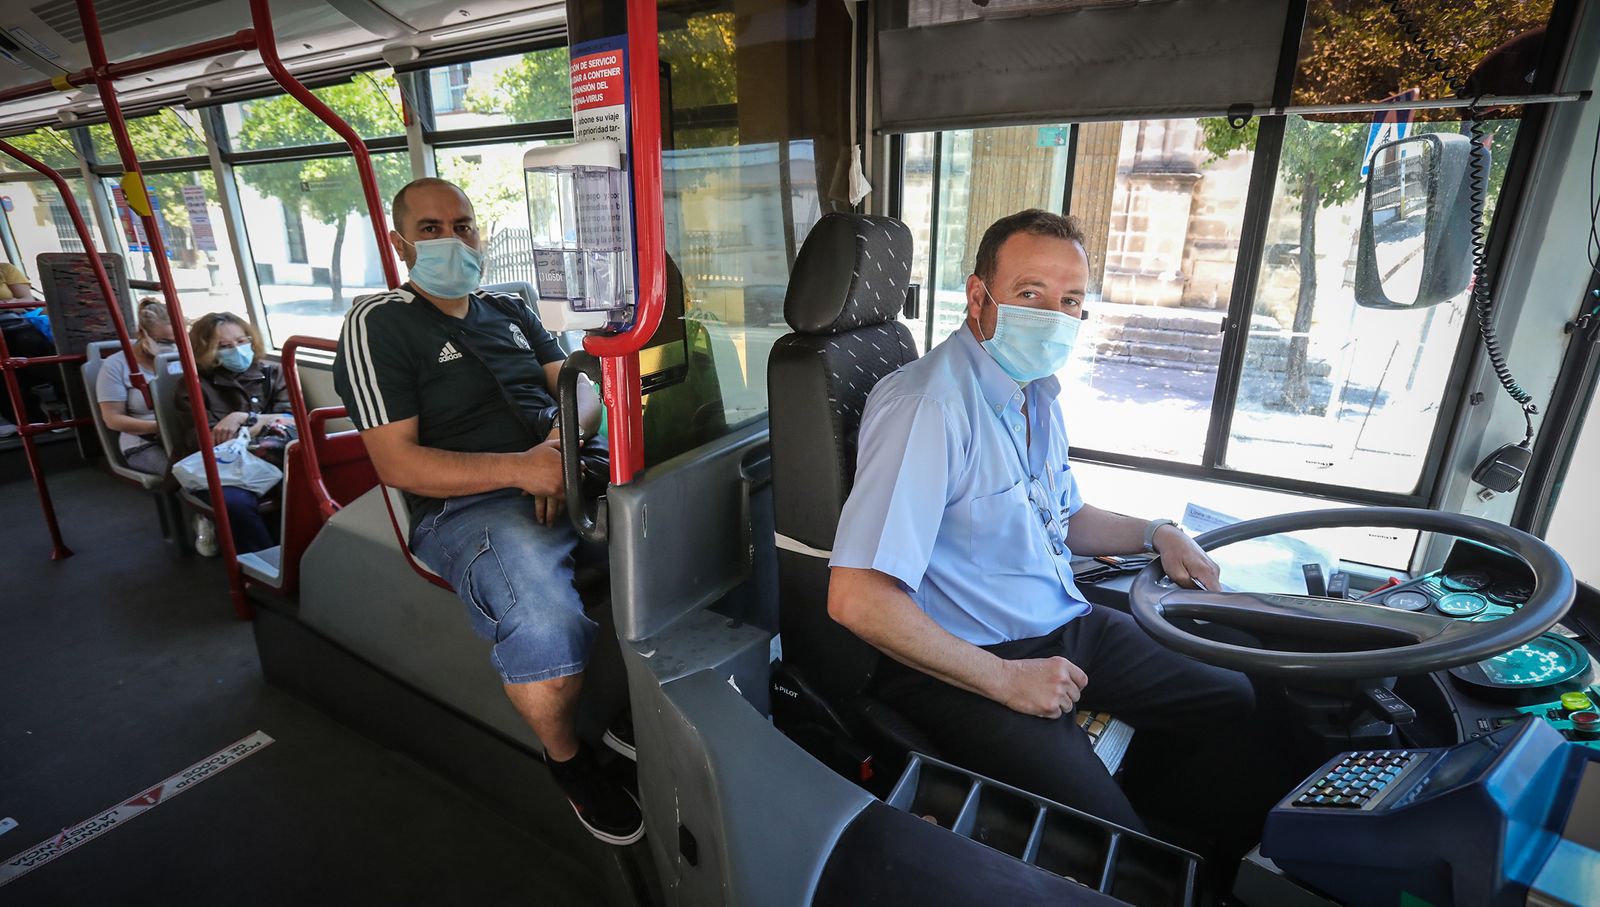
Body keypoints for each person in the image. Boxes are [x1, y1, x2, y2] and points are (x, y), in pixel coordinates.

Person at [828, 209, 1255, 835]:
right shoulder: (928, 407)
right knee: (1115, 838)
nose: (1053, 316)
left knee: (1233, 700)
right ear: (979, 296)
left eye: (1071, 300)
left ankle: (1185, 850)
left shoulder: (1033, 390)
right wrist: (1005, 680)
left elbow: (1066, 514)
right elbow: (857, 599)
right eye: (1031, 293)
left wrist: (1158, 533)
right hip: (967, 660)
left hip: (1060, 619)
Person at [331, 178, 638, 845]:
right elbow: (397, 463)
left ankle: (634, 704)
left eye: (464, 225)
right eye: (432, 228)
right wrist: (519, 469)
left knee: (680, 531)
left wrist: (556, 448)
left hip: (559, 464)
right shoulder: (378, 324)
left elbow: (578, 389)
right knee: (548, 626)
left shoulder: (509, 304)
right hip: (464, 505)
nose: (452, 239)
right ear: (400, 241)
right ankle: (571, 762)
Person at [178, 311, 293, 554]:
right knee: (236, 503)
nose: (237, 350)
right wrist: (264, 422)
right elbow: (207, 438)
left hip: (271, 457)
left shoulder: (272, 373)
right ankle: (262, 564)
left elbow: (291, 419)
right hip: (224, 465)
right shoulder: (194, 384)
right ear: (207, 351)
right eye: (224, 346)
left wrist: (243, 418)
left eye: (242, 342)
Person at [95, 298, 176, 475]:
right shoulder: (115, 366)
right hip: (144, 442)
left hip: (182, 433)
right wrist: (161, 427)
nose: (172, 348)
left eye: (177, 341)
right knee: (188, 471)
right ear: (142, 334)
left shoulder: (181, 356)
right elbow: (112, 419)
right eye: (164, 342)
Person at [0, 260, 57, 438]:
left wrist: (11, 303)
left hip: (15, 321)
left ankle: (61, 404)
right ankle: (28, 415)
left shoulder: (5, 269)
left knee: (27, 341)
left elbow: (27, 299)